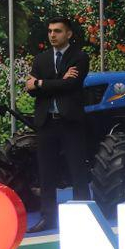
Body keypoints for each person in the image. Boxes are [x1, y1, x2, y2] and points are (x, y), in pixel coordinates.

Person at [28, 17, 91, 231]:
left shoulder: (79, 57)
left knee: (77, 171)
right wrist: (57, 81)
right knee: (46, 174)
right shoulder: (41, 59)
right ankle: (48, 218)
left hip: (70, 122)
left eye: (57, 31)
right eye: (50, 31)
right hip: (46, 123)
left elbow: (71, 85)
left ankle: (84, 218)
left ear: (69, 34)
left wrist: (41, 83)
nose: (52, 35)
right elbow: (30, 89)